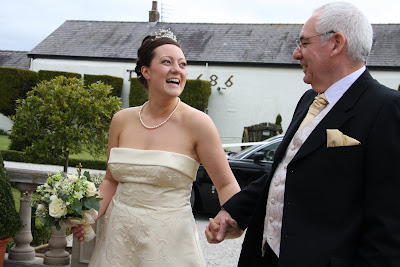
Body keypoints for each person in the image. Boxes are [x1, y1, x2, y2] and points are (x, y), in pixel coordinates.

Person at [206, 2, 400, 266]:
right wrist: (234, 211)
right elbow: (285, 170)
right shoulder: (309, 100)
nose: (297, 53)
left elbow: (389, 223)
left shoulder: (385, 108)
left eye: (304, 43)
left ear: (336, 43)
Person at [71, 30, 240, 267]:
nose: (177, 70)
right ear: (146, 71)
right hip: (117, 241)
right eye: (167, 62)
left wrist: (233, 221)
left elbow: (226, 184)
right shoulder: (121, 120)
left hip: (169, 243)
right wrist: (88, 216)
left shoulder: (199, 124)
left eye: (182, 64)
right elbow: (111, 180)